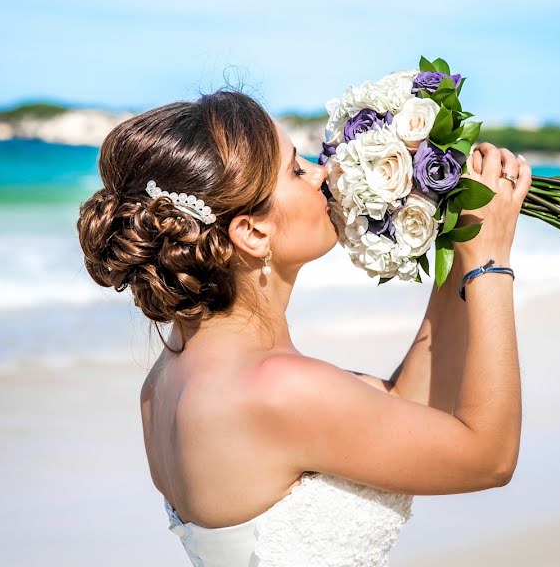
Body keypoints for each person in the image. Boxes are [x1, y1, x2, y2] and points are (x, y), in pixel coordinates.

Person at [75, 89, 530, 567]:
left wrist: (460, 238)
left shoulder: (165, 381)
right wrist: (491, 262)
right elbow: (489, 458)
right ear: (252, 232)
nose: (322, 173)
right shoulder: (278, 389)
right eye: (296, 170)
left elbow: (395, 411)